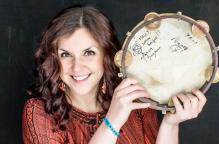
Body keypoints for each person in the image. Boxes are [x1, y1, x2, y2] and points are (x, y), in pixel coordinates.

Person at [22, 5, 207, 144]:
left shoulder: (135, 99)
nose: (77, 67)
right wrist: (113, 119)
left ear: (107, 55)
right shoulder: (39, 112)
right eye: (65, 54)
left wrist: (170, 123)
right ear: (54, 59)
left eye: (89, 53)